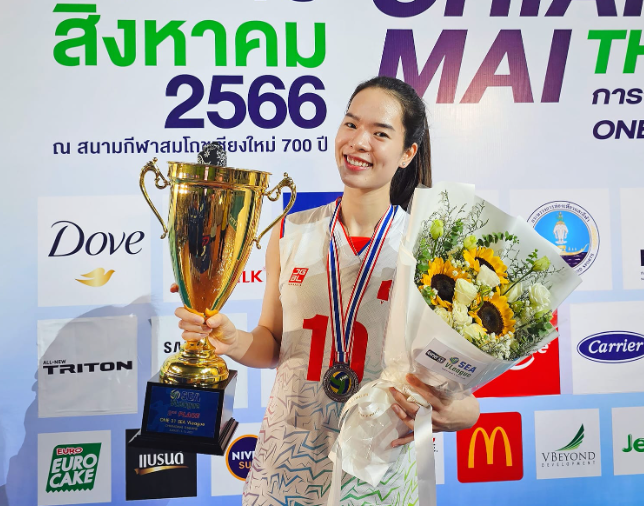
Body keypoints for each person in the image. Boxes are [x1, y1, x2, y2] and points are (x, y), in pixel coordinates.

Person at [173, 76, 480, 505]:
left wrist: (463, 412)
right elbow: (274, 343)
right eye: (351, 124)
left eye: (380, 133)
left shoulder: (429, 250)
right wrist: (231, 339)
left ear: (407, 153)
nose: (358, 141)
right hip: (285, 465)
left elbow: (454, 377)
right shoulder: (290, 232)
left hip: (378, 472)